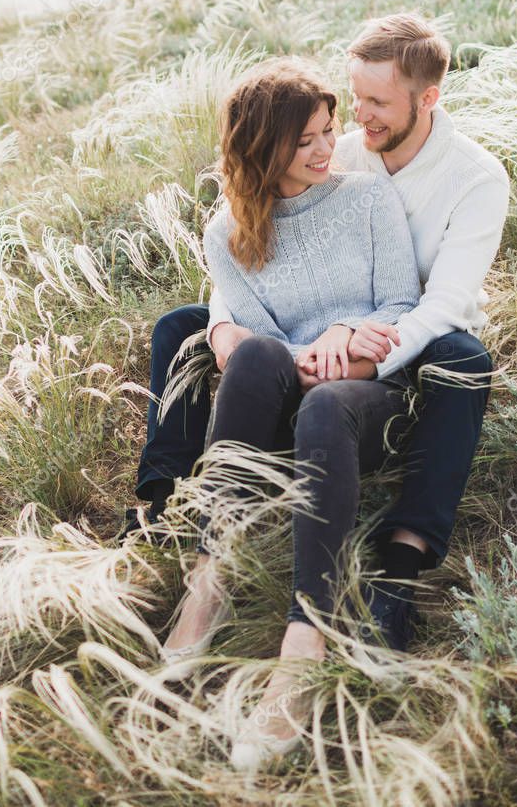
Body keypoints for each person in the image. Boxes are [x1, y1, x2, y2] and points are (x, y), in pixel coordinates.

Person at [158, 57, 422, 769]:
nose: (325, 148)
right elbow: (257, 346)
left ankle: (304, 645)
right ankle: (209, 580)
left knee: (327, 403)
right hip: (288, 397)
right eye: (305, 137)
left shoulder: (369, 199)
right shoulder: (229, 235)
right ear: (260, 144)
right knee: (249, 358)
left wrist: (347, 341)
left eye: (330, 131)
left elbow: (401, 307)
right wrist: (313, 348)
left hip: (366, 401)